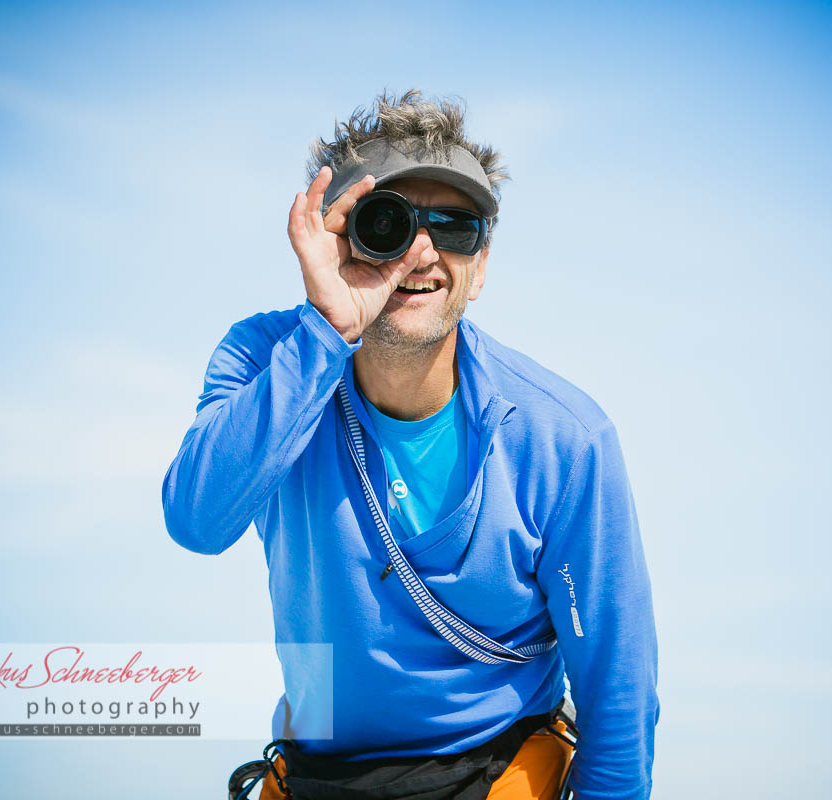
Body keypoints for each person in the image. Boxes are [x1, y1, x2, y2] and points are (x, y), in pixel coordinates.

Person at [162, 89, 659, 800]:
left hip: (499, 766)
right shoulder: (266, 362)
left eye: (456, 227)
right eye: (388, 223)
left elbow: (618, 691)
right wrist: (325, 332)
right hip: (318, 772)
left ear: (481, 266)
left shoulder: (564, 440)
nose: (424, 249)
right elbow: (196, 521)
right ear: (334, 238)